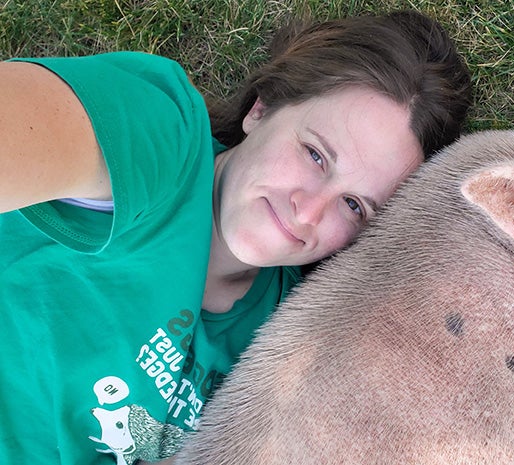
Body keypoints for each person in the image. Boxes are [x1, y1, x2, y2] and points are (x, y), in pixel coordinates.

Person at [0, 9, 471, 465]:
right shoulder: (163, 143)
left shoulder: (290, 335)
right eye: (315, 155)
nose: (308, 212)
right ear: (261, 109)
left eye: (354, 205)